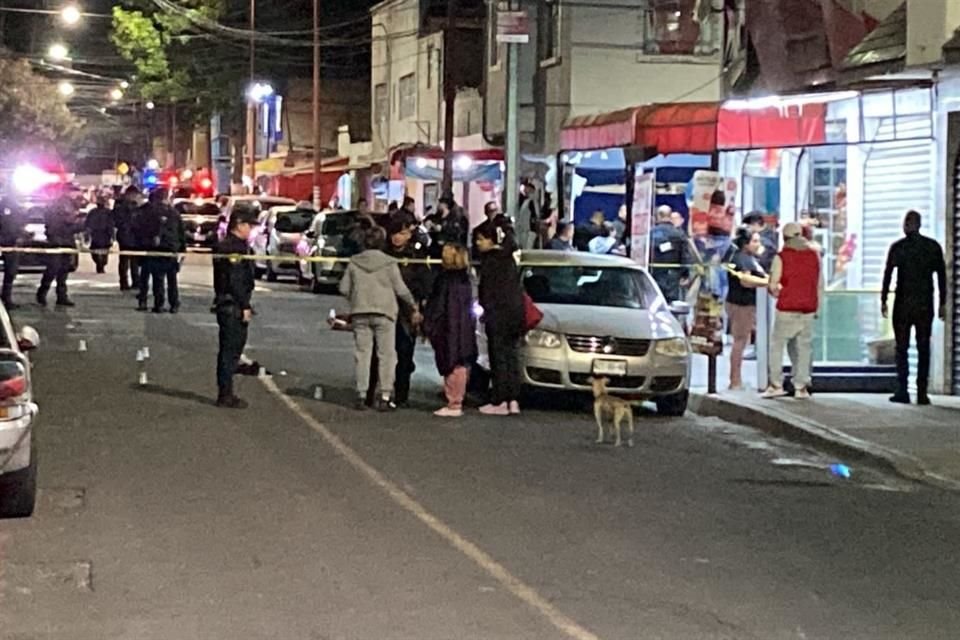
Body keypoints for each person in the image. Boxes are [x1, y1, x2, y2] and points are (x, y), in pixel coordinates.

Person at [339, 226, 418, 412]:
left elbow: (343, 288)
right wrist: (413, 304)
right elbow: (401, 289)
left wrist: (356, 297)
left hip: (360, 311)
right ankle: (385, 395)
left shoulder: (354, 262)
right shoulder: (389, 263)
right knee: (386, 355)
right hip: (385, 313)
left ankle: (361, 394)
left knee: (363, 354)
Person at [881, 210, 946, 405]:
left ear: (910, 225)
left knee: (902, 347)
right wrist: (943, 302)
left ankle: (902, 390)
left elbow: (888, 274)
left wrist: (883, 299)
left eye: (906, 222)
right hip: (925, 303)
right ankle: (922, 392)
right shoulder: (932, 247)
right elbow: (942, 276)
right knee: (923, 346)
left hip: (903, 303)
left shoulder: (899, 247)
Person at [762, 222, 822, 400]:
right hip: (808, 309)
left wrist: (777, 292)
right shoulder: (814, 256)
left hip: (787, 308)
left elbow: (773, 285)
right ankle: (801, 386)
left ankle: (776, 384)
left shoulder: (781, 257)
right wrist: (818, 307)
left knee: (777, 346)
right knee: (804, 348)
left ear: (785, 238)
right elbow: (819, 284)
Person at [475, 222, 525, 416]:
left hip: (498, 314)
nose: (478, 243)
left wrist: (485, 308)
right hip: (515, 313)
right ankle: (513, 400)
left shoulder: (490, 261)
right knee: (512, 357)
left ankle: (500, 400)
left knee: (498, 357)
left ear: (491, 239)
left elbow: (487, 291)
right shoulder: (509, 259)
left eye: (481, 239)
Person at [383, 217, 433, 407]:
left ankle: (401, 395)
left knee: (405, 355)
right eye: (395, 233)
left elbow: (425, 285)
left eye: (402, 233)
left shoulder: (416, 257)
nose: (398, 237)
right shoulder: (383, 254)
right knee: (382, 354)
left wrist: (418, 309)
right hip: (385, 310)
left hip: (406, 313)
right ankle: (380, 393)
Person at [213, 207, 258, 409]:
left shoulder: (233, 245)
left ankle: (229, 384)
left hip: (227, 303)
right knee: (230, 349)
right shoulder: (233, 248)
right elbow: (235, 279)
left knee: (231, 349)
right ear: (239, 225)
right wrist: (245, 305)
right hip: (232, 304)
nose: (251, 229)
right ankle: (226, 394)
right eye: (249, 225)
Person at [425, 243, 477, 417]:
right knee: (460, 364)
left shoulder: (445, 280)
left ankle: (454, 403)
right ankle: (456, 400)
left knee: (451, 364)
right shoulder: (466, 279)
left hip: (448, 327)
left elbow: (438, 306)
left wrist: (429, 324)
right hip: (463, 327)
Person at [725, 227, 768, 390]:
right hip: (741, 304)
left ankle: (736, 379)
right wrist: (767, 283)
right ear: (745, 244)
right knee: (740, 341)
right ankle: (735, 380)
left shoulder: (747, 258)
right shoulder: (741, 259)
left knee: (742, 340)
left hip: (744, 303)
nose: (758, 244)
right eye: (755, 241)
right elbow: (746, 281)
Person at [36, 196, 80, 308]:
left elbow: (73, 226)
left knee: (63, 272)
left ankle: (61, 296)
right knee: (52, 269)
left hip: (66, 243)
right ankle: (42, 293)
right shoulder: (53, 210)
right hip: (56, 243)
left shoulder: (70, 204)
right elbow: (51, 227)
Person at [650, 205, 691, 303]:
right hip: (673, 275)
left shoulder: (650, 233)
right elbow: (685, 255)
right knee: (672, 305)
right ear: (670, 216)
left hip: (653, 273)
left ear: (658, 216)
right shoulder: (679, 234)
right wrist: (685, 274)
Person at [0, 198, 29, 308]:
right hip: (8, 241)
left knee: (11, 272)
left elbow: (18, 225)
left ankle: (6, 298)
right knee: (10, 272)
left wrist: (22, 234)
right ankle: (6, 299)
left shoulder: (17, 208)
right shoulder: (6, 206)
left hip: (12, 243)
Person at [113, 186, 141, 291]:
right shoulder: (121, 205)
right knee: (125, 260)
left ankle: (135, 281)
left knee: (134, 260)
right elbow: (118, 219)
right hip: (126, 235)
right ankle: (124, 282)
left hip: (133, 235)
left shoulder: (133, 205)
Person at [85, 195, 114, 274]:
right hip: (96, 235)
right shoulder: (93, 212)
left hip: (105, 235)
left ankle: (101, 264)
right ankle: (99, 264)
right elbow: (88, 224)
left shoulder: (108, 212)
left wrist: (112, 235)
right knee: (95, 252)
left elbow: (111, 224)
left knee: (103, 252)